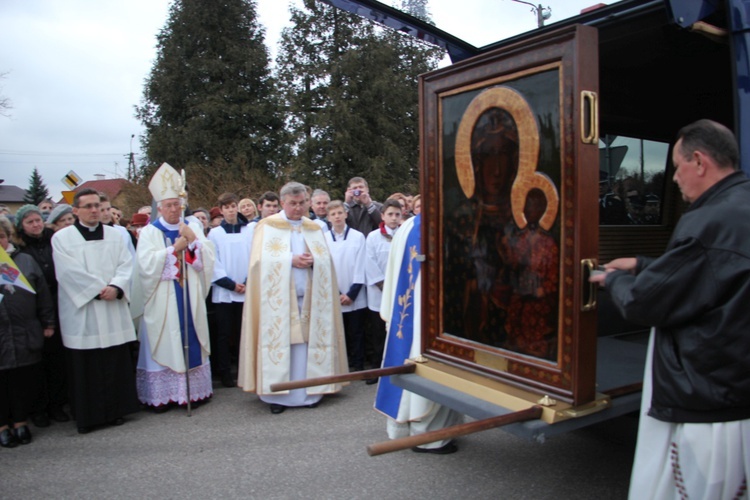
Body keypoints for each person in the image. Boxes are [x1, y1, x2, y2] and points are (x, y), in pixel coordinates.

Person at [591, 119, 750, 499]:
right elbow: (714, 271)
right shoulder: (739, 206)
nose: (675, 179)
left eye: (677, 167)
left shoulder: (707, 221)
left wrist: (613, 280)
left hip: (709, 396)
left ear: (698, 161)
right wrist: (644, 264)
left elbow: (649, 302)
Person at [238, 182, 348, 414]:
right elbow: (257, 262)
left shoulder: (315, 228)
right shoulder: (267, 226)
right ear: (283, 203)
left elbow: (327, 261)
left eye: (302, 203)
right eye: (293, 204)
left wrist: (315, 261)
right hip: (278, 302)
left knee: (308, 345)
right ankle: (277, 396)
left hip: (310, 299)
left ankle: (311, 391)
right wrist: (290, 260)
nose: (298, 208)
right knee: (282, 344)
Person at [52, 188, 140, 434]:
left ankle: (114, 411)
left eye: (97, 206)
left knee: (113, 362)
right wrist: (98, 290)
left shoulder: (115, 235)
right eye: (88, 206)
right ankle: (88, 416)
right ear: (76, 210)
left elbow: (127, 265)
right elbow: (68, 272)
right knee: (86, 366)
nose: (93, 211)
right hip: (85, 311)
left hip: (112, 307)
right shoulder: (62, 238)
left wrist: (116, 287)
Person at [374, 213, 462, 454]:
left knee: (409, 358)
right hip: (426, 321)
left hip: (408, 317)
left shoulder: (411, 224)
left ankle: (409, 430)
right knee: (429, 366)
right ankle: (428, 437)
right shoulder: (441, 225)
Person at [134, 163, 215, 412]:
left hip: (188, 295)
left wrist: (193, 242)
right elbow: (145, 265)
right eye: (168, 205)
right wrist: (173, 250)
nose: (173, 210)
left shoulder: (192, 227)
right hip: (163, 298)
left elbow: (208, 259)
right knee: (164, 335)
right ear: (159, 208)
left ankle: (194, 392)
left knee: (190, 332)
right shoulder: (149, 232)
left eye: (177, 205)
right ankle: (163, 396)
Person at [0, 216, 55, 447]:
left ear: (8, 237)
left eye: (1, 236)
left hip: (25, 331)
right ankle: (3, 425)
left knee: (23, 380)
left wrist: (48, 322)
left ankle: (21, 421)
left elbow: (42, 294)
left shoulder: (23, 260)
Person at [13, 204, 69, 427]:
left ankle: (57, 404)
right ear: (21, 227)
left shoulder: (53, 241)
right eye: (30, 222)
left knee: (57, 359)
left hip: (56, 303)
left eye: (38, 220)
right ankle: (38, 408)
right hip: (31, 309)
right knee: (38, 362)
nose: (36, 225)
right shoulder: (20, 251)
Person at [208, 192, 255, 388]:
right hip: (225, 292)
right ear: (221, 210)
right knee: (224, 334)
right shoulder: (215, 234)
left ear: (237, 207)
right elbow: (213, 262)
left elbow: (255, 255)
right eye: (226, 207)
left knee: (246, 333)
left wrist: (247, 280)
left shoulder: (250, 230)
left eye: (233, 206)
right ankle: (225, 372)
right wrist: (231, 285)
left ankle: (248, 370)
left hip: (247, 288)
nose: (230, 210)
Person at [324, 200, 367, 371]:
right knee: (338, 333)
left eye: (340, 213)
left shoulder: (358, 237)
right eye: (333, 214)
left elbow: (361, 266)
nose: (337, 217)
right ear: (328, 218)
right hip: (335, 293)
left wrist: (351, 293)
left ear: (346, 214)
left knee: (357, 332)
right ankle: (342, 365)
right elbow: (324, 267)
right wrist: (337, 292)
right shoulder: (324, 239)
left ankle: (358, 364)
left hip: (355, 294)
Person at [364, 199, 402, 382]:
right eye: (390, 214)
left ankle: (396, 368)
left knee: (397, 333)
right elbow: (369, 262)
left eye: (397, 214)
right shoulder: (373, 237)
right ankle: (376, 370)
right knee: (377, 334)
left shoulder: (404, 235)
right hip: (379, 294)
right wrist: (384, 286)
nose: (394, 218)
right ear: (383, 215)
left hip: (401, 293)